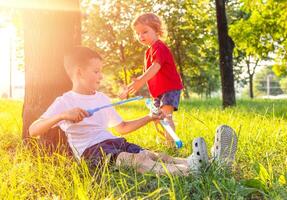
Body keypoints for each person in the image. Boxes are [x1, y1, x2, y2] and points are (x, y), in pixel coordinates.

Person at [29, 46, 237, 175]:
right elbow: (33, 130)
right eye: (96, 71)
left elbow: (122, 127)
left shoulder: (101, 98)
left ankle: (208, 163)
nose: (101, 76)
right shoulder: (65, 101)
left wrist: (148, 118)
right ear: (79, 72)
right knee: (135, 161)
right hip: (91, 153)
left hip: (115, 142)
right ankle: (193, 170)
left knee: (156, 156)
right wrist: (63, 116)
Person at [119, 13, 183, 146]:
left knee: (165, 115)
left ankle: (171, 144)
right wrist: (132, 86)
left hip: (169, 88)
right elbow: (147, 75)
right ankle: (165, 142)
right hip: (158, 92)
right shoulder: (148, 52)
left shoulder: (159, 47)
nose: (140, 36)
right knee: (156, 118)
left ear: (157, 30)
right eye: (138, 33)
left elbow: (156, 67)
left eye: (145, 32)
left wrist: (140, 80)